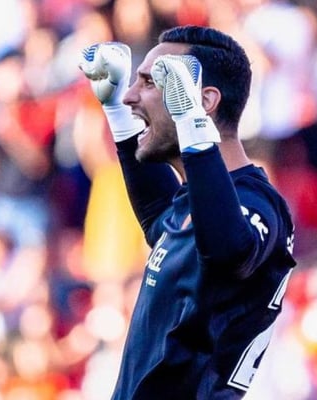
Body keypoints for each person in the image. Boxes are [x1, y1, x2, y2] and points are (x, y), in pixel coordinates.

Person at [78, 25, 296, 399]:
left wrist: (192, 124)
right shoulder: (192, 203)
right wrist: (115, 112)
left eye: (151, 82)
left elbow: (229, 251)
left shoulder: (258, 203)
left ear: (204, 100)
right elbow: (158, 215)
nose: (130, 95)